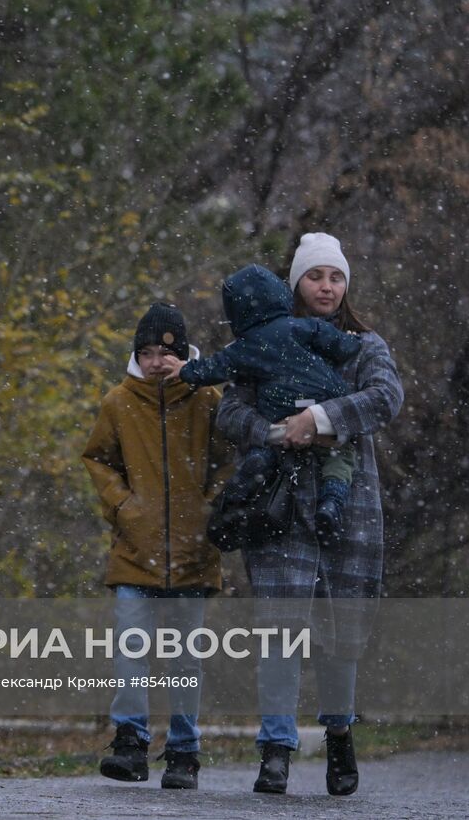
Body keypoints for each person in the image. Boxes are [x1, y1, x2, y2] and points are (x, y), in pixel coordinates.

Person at [215, 233, 404, 796]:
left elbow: (386, 397)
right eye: (316, 276)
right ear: (296, 282)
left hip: (352, 505)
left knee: (343, 629)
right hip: (277, 501)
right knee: (281, 628)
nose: (327, 286)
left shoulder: (365, 344)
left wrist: (321, 416)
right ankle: (275, 749)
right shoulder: (266, 341)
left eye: (336, 277)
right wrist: (276, 431)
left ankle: (340, 737)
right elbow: (229, 409)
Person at [81, 302, 230, 790]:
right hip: (134, 549)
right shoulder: (118, 402)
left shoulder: (208, 400)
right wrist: (124, 507)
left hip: (193, 549)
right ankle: (130, 741)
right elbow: (99, 459)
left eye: (166, 353)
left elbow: (229, 464)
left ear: (185, 353)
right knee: (130, 648)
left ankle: (184, 750)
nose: (156, 362)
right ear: (135, 356)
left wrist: (209, 509)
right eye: (146, 352)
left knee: (186, 657)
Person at [160, 263, 361, 548]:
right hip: (325, 397)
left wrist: (185, 370)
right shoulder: (302, 326)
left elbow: (215, 367)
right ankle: (332, 501)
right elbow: (334, 341)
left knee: (270, 449)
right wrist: (350, 344)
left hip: (279, 407)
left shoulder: (244, 347)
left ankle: (255, 468)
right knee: (341, 455)